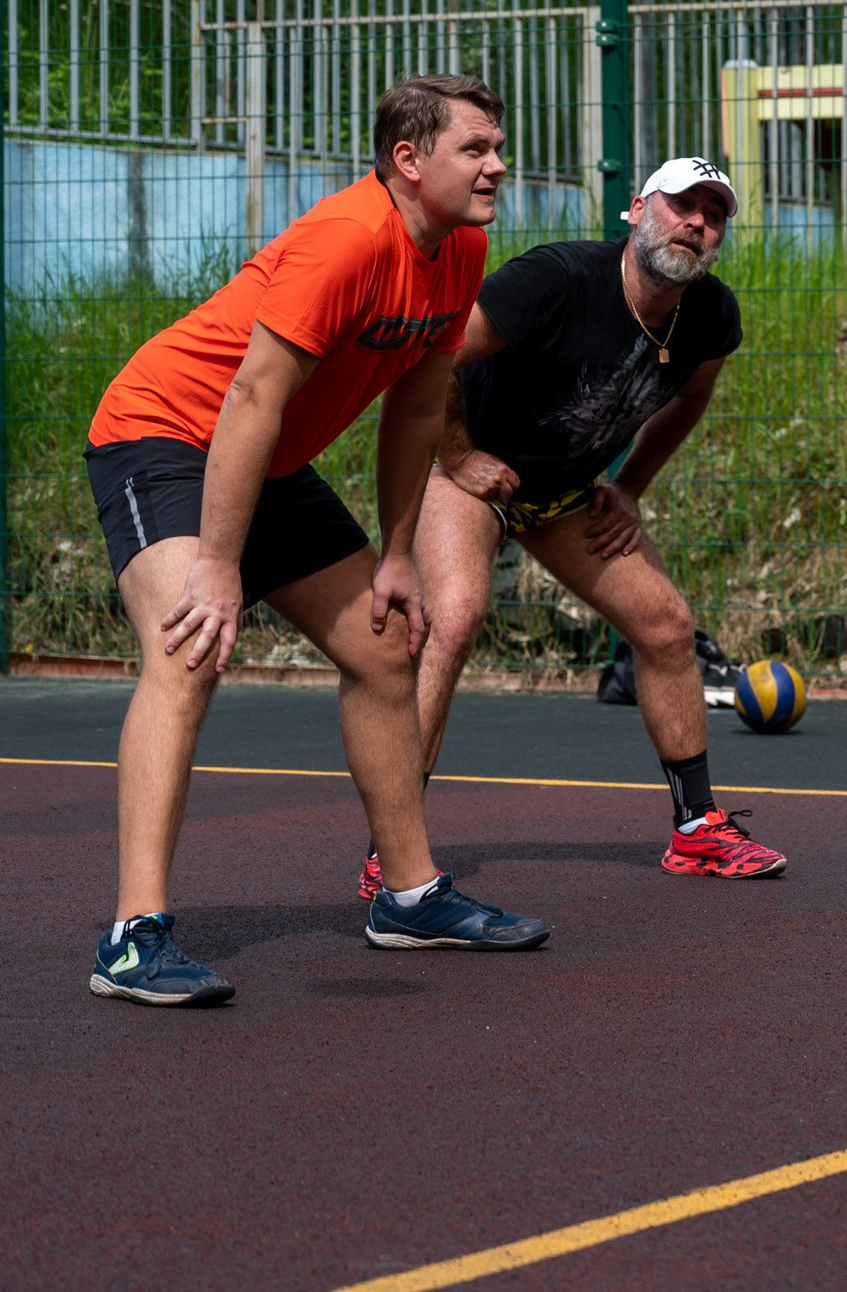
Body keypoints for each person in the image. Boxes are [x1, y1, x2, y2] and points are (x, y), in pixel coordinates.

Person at [81, 74, 550, 1008]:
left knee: (383, 646)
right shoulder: (349, 240)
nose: (498, 164)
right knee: (188, 649)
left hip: (266, 456)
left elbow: (418, 406)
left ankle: (409, 895)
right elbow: (251, 396)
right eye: (476, 148)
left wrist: (399, 552)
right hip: (167, 434)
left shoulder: (459, 250)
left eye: (498, 146)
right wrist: (218, 564)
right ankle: (133, 937)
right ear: (410, 162)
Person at [370, 155, 786, 894]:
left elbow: (688, 400)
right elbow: (435, 355)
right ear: (636, 210)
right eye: (681, 204)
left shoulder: (712, 315)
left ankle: (697, 831)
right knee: (454, 619)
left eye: (713, 213)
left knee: (665, 625)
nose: (696, 223)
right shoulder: (558, 280)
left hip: (563, 491)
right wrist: (460, 454)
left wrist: (628, 485)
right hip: (472, 477)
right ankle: (391, 852)